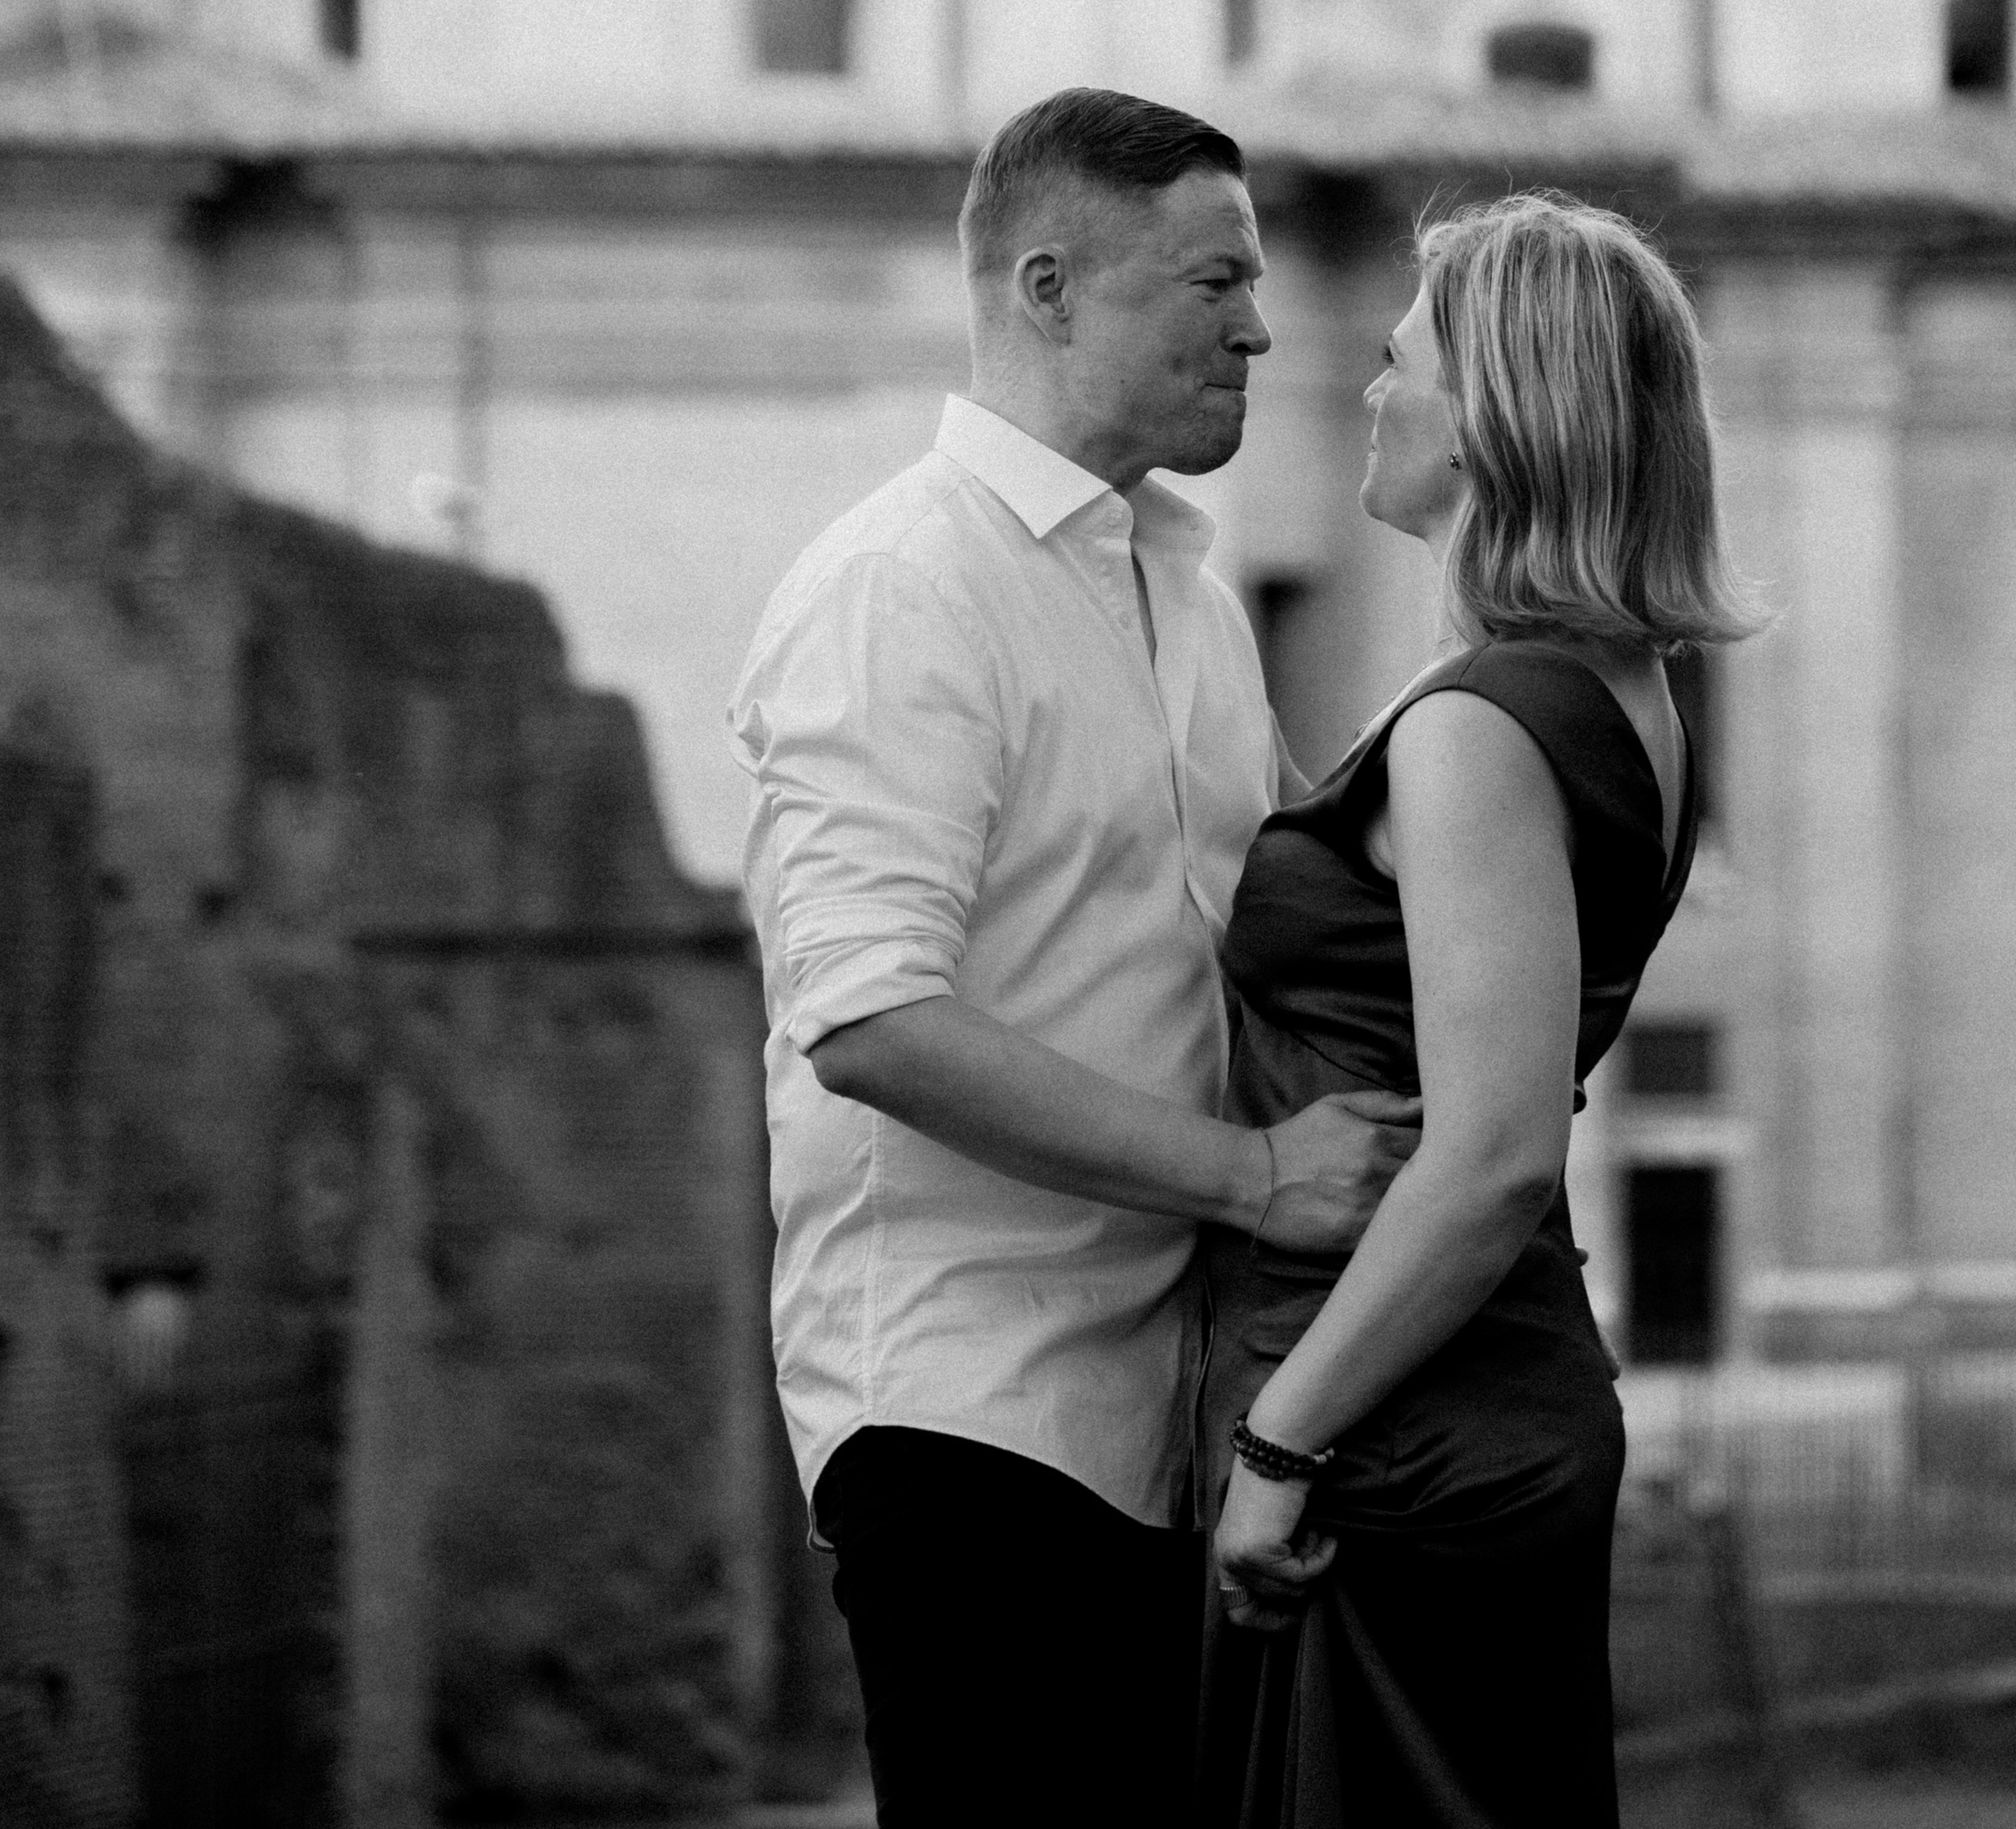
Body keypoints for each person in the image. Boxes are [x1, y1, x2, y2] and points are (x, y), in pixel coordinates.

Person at [729, 88, 1420, 1829]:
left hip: (1173, 1419)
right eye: (1212, 281)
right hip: (973, 1426)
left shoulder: (1188, 596)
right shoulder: (899, 587)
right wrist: (1255, 1176)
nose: (1258, 328)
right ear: (1047, 289)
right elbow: (869, 1019)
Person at [1198, 189, 1760, 1829]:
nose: (1372, 391)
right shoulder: (1624, 692)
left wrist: (1280, 1447)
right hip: (1464, 1395)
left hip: (1399, 1426)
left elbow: (1498, 1150)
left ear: (1493, 417)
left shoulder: (1486, 722)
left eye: (1403, 363)